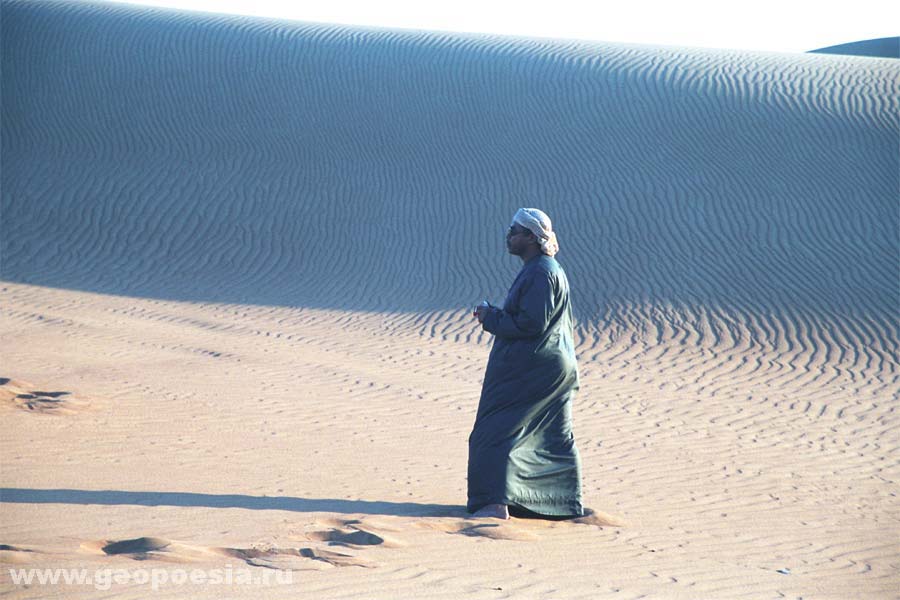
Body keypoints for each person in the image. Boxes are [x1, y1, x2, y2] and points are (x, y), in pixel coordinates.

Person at [468, 208, 584, 520]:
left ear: (531, 238)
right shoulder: (542, 269)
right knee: (551, 435)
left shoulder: (541, 273)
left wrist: (490, 317)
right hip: (548, 365)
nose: (508, 235)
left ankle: (494, 504)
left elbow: (532, 323)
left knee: (494, 431)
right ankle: (555, 505)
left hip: (535, 369)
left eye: (515, 231)